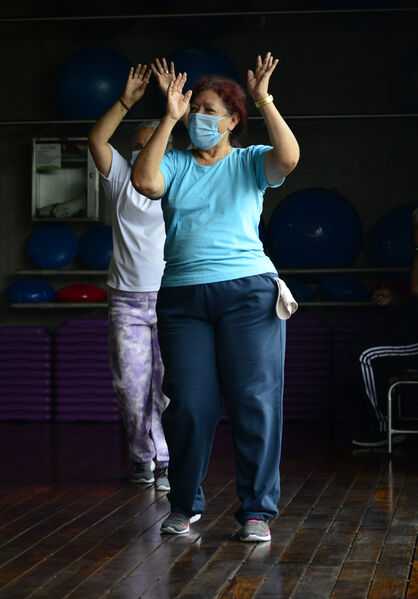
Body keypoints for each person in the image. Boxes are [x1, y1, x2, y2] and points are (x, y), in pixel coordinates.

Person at [131, 52, 300, 541]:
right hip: (184, 299)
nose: (199, 117)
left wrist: (265, 98)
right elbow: (144, 181)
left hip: (248, 294)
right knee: (188, 405)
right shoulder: (176, 163)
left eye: (209, 110)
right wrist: (168, 115)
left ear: (231, 121)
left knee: (254, 400)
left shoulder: (249, 162)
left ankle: (256, 511)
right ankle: (183, 504)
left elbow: (287, 158)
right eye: (194, 108)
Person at [88, 63, 174, 490]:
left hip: (170, 298)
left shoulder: (175, 180)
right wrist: (126, 101)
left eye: (150, 146)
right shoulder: (120, 177)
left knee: (168, 387)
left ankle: (167, 459)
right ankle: (144, 458)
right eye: (137, 146)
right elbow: (97, 140)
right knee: (131, 384)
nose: (142, 153)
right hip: (126, 301)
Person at [349, 207, 418, 447]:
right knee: (362, 345)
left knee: (365, 353)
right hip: (409, 333)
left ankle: (382, 428)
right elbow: (414, 300)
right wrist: (394, 299)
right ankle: (385, 422)